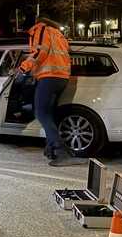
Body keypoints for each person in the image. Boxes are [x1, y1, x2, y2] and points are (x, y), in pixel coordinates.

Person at [18, 16, 77, 167]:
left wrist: (22, 68)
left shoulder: (40, 30)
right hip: (62, 77)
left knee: (40, 113)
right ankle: (51, 149)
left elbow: (39, 53)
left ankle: (61, 150)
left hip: (49, 77)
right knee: (49, 113)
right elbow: (63, 52)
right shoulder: (56, 32)